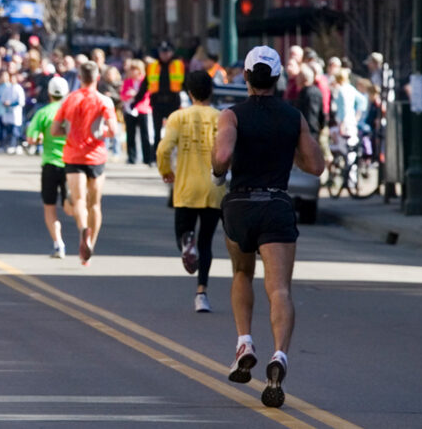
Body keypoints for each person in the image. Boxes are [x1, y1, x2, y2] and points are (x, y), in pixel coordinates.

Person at [211, 46, 325, 408]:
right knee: (280, 290)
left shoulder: (232, 116)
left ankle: (244, 341)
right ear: (277, 79)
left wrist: (217, 172)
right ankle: (279, 355)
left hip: (241, 204)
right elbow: (316, 166)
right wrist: (289, 144)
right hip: (276, 203)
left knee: (242, 273)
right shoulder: (293, 117)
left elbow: (224, 156)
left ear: (246, 77)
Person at [156, 71, 226, 313]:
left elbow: (164, 149)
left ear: (189, 93)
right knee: (206, 242)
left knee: (182, 234)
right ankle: (202, 293)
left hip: (185, 187)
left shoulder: (178, 117)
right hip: (213, 188)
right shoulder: (221, 118)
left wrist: (165, 170)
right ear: (211, 91)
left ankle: (187, 243)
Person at [52, 61, 118, 265]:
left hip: (73, 155)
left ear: (79, 78)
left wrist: (68, 132)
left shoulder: (69, 99)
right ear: (97, 77)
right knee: (95, 204)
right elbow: (114, 131)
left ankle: (83, 230)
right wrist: (101, 133)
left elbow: (55, 130)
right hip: (96, 156)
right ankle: (90, 244)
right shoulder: (104, 101)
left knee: (79, 200)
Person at [25, 76, 72, 258]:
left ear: (49, 93)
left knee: (49, 207)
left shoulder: (43, 113)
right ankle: (85, 232)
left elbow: (31, 139)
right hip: (71, 164)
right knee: (72, 207)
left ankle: (58, 244)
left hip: (50, 164)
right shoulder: (72, 112)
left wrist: (40, 138)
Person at [138, 43, 185, 149]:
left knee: (173, 130)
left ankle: (172, 153)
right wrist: (136, 101)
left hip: (173, 102)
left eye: (167, 52)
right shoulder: (152, 66)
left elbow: (186, 83)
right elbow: (145, 85)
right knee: (157, 130)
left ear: (171, 53)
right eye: (162, 52)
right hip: (157, 103)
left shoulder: (178, 65)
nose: (165, 55)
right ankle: (156, 155)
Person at [121, 59, 153, 166]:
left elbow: (146, 96)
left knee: (145, 135)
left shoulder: (145, 80)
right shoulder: (127, 81)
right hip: (129, 110)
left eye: (134, 69)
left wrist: (135, 95)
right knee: (130, 134)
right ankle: (131, 157)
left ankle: (147, 158)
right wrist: (130, 95)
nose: (132, 71)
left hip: (142, 109)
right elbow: (123, 95)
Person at [0, 70, 26, 154]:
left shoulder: (18, 88)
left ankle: (15, 145)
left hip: (15, 113)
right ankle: (8, 145)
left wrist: (11, 104)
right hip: (8, 113)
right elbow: (2, 99)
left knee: (16, 131)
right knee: (8, 130)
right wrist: (4, 102)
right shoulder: (7, 88)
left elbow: (21, 101)